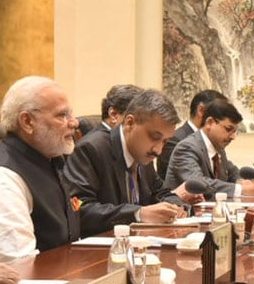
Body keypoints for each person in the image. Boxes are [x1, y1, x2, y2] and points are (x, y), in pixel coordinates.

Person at [0, 76, 81, 262]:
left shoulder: (51, 160)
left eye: (71, 114)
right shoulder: (1, 178)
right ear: (27, 122)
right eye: (62, 115)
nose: (74, 123)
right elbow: (20, 266)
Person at [63, 89, 205, 237]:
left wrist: (177, 207)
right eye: (154, 137)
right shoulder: (92, 149)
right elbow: (79, 209)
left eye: (165, 141)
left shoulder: (144, 152)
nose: (158, 150)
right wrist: (138, 213)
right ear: (130, 122)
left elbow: (160, 192)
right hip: (103, 251)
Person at [163, 99, 254, 199]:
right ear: (209, 123)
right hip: (182, 212)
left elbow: (232, 172)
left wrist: (244, 181)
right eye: (229, 129)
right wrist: (241, 189)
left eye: (235, 131)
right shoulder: (187, 148)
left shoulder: (218, 148)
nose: (233, 137)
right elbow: (200, 183)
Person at [156, 89, 226, 180]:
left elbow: (229, 169)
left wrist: (240, 181)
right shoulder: (175, 141)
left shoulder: (214, 140)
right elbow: (196, 183)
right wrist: (237, 189)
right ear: (201, 110)